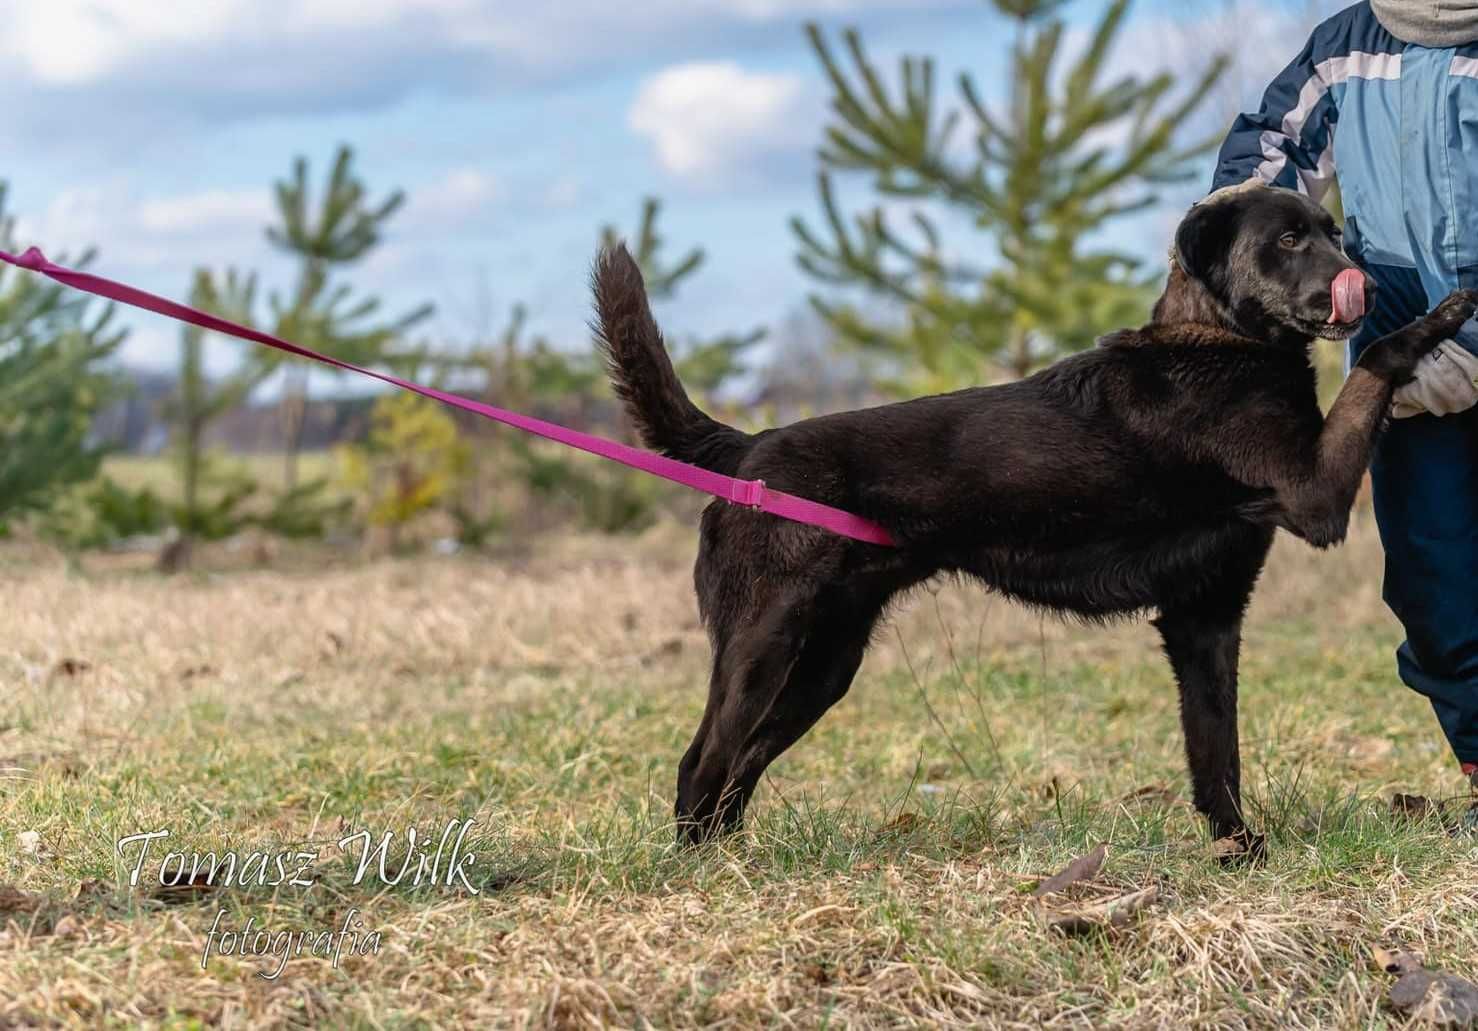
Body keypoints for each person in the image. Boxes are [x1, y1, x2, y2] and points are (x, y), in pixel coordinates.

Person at [1213, 0, 1478, 793]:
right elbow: (1267, 159)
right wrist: (1238, 245)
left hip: (1452, 342)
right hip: (1402, 364)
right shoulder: (1345, 46)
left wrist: (1468, 350)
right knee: (1435, 582)